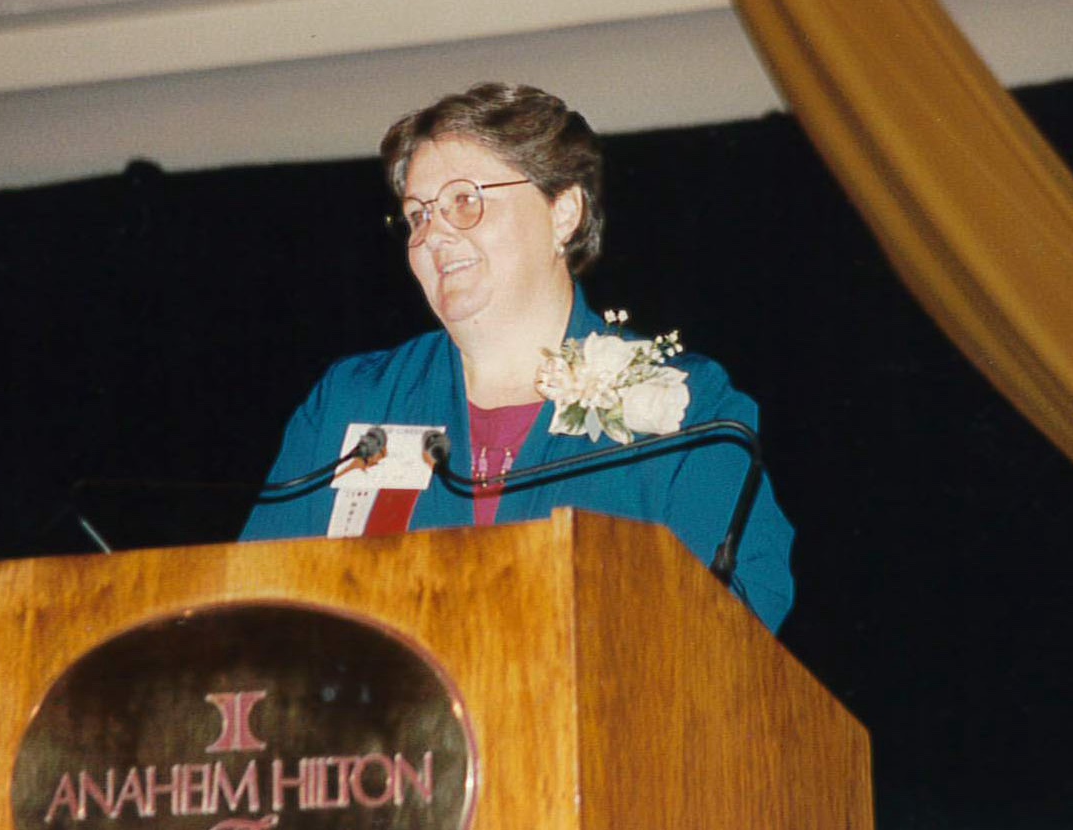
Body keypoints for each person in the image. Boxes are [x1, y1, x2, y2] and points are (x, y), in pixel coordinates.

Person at [241, 83, 794, 632]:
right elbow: (254, 606)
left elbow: (734, 632)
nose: (432, 235)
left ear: (564, 212)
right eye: (417, 216)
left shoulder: (688, 412)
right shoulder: (353, 399)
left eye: (464, 201)